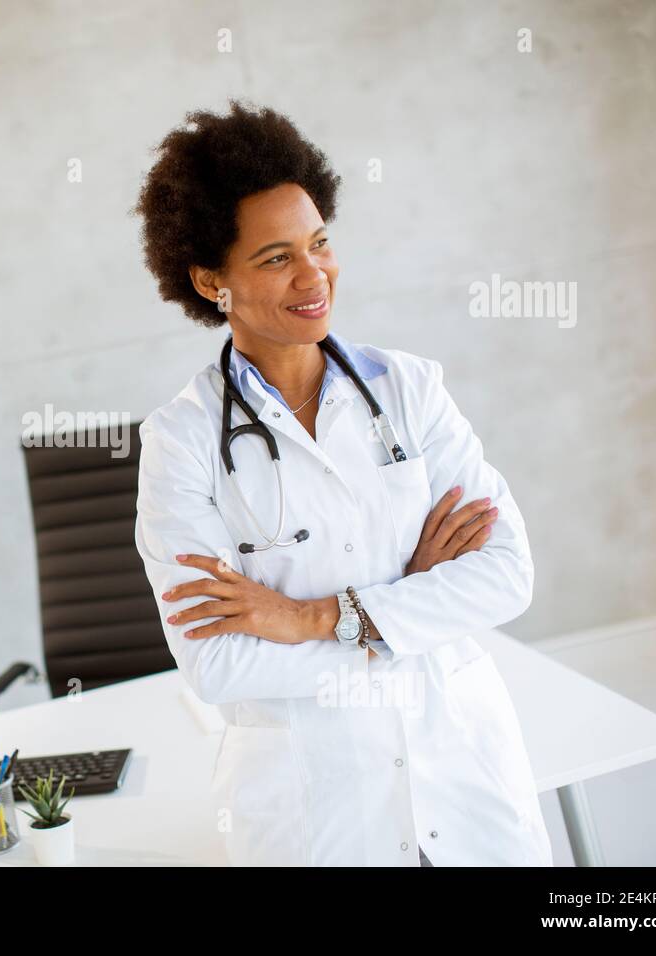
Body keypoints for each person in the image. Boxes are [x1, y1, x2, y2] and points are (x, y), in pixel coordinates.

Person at [131, 100, 552, 866]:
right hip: (314, 810)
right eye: (275, 257)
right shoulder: (182, 443)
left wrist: (313, 617)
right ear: (210, 280)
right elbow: (219, 664)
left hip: (460, 772)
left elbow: (504, 576)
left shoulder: (410, 390)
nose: (313, 274)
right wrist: (410, 603)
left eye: (320, 243)